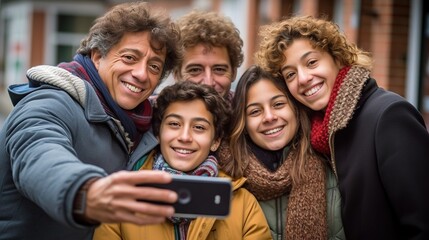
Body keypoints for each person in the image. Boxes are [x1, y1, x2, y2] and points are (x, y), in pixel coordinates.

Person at [0, 2, 183, 239]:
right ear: (97, 56)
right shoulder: (49, 102)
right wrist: (83, 191)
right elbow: (40, 154)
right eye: (129, 58)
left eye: (154, 66)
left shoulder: (136, 122)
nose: (141, 74)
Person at [255, 15, 429, 239]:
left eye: (311, 62)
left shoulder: (388, 115)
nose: (304, 78)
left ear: (337, 58)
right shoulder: (319, 134)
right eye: (290, 74)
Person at [93, 81, 272, 240]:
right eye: (174, 124)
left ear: (215, 141)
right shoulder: (124, 200)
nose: (185, 137)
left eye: (199, 127)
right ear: (158, 133)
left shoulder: (242, 204)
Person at [217, 65, 344, 239]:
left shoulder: (333, 165)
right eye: (255, 111)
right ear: (243, 124)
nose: (269, 117)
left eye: (278, 104)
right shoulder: (224, 180)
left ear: (295, 110)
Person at [172, 10, 244, 102]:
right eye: (195, 70)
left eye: (219, 69)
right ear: (177, 75)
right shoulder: (154, 112)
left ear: (234, 73)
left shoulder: (248, 112)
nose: (208, 83)